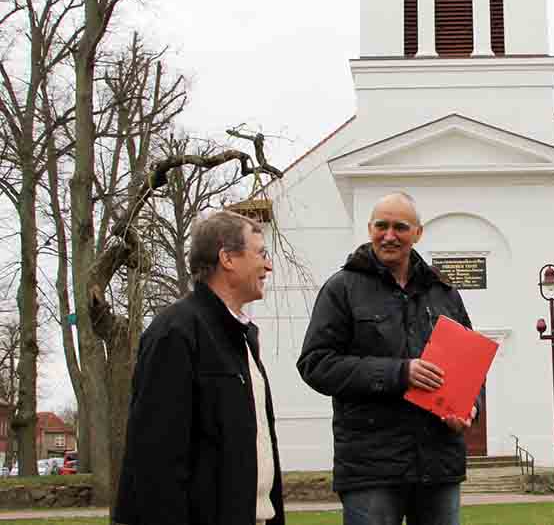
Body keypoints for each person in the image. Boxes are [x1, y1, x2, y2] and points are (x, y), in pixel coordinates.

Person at [298, 192, 480, 525]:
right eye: (381, 226)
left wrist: (470, 408)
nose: (390, 235)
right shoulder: (342, 288)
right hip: (371, 469)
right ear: (369, 229)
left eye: (400, 227)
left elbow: (470, 363)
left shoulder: (444, 292)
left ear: (418, 233)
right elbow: (316, 364)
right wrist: (399, 373)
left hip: (438, 464)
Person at [114, 211, 284, 525]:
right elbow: (155, 458)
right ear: (228, 258)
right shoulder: (176, 332)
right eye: (261, 254)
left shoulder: (243, 337)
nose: (268, 265)